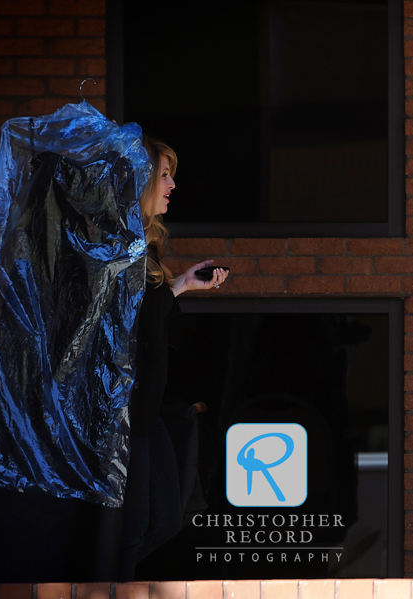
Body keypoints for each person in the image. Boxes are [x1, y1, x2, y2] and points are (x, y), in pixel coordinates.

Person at [118, 137, 228, 580]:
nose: (172, 184)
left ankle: (107, 580)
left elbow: (149, 311)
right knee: (134, 526)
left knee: (164, 521)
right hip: (127, 409)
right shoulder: (119, 244)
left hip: (150, 408)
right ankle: (105, 586)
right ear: (142, 180)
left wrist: (181, 283)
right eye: (164, 174)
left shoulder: (143, 248)